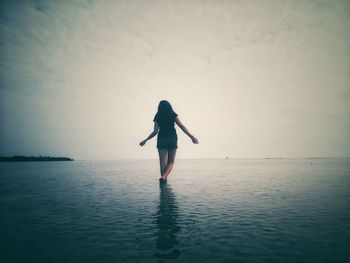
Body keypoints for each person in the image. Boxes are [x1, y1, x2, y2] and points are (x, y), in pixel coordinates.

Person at [139, 100, 198, 182]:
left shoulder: (158, 116)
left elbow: (155, 131)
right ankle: (164, 178)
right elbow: (181, 126)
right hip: (172, 139)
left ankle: (163, 182)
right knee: (171, 162)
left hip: (161, 139)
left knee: (162, 163)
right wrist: (191, 136)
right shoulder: (172, 114)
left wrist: (145, 140)